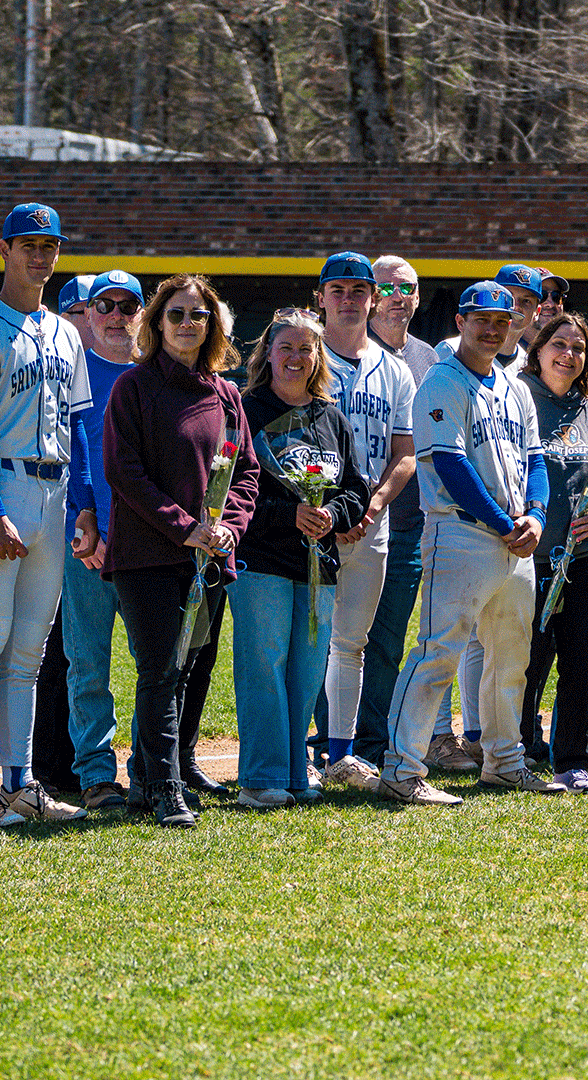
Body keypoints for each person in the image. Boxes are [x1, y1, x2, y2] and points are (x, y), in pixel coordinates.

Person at [379, 280, 562, 804]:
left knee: (511, 658)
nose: (492, 329)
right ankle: (401, 770)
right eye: (481, 319)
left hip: (515, 538)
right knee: (437, 653)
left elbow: (535, 459)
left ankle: (504, 762)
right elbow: (450, 464)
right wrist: (507, 523)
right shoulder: (441, 380)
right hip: (459, 532)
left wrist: (536, 514)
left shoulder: (515, 386)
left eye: (502, 321)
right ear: (460, 322)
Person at [0, 203, 93, 827]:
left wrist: (86, 504)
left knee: (29, 652)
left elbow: (80, 426)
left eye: (49, 245)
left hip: (54, 495)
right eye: (28, 244)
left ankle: (20, 782)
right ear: (4, 250)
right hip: (0, 487)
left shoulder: (65, 332)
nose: (39, 255)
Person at [102, 273, 258, 826]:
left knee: (187, 668)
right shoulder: (133, 388)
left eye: (199, 315)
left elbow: (245, 472)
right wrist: (184, 526)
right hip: (149, 557)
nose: (187, 323)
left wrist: (229, 528)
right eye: (176, 314)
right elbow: (124, 472)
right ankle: (167, 789)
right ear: (157, 322)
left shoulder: (226, 394)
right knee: (161, 671)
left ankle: (147, 783)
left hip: (208, 560)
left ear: (213, 326)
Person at [234, 309, 369, 808]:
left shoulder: (331, 416)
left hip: (319, 563)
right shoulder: (245, 409)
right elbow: (230, 488)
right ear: (267, 353)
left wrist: (332, 514)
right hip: (262, 560)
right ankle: (260, 777)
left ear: (318, 357)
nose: (296, 357)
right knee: (264, 665)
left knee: (308, 669)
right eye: (286, 347)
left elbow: (356, 486)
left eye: (305, 349)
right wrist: (286, 514)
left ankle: (295, 773)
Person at [317, 252, 418, 778]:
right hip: (310, 521)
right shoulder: (303, 354)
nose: (349, 299)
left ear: (373, 298)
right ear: (320, 298)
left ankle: (340, 754)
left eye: (359, 290)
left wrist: (374, 504)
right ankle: (296, 750)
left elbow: (405, 453)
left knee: (351, 643)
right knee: (306, 642)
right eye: (338, 290)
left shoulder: (395, 370)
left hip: (371, 524)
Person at [517, 313, 588, 792]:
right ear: (539, 350)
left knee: (583, 658)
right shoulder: (517, 398)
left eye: (578, 347)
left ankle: (572, 761)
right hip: (530, 556)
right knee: (527, 659)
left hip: (584, 556)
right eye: (559, 344)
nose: (569, 354)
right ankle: (517, 751)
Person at [358, 256, 451, 769]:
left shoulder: (428, 358)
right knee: (343, 638)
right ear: (372, 296)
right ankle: (333, 740)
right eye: (388, 288)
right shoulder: (349, 351)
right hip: (354, 521)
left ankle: (371, 743)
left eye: (408, 288)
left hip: (411, 524)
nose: (398, 297)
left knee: (389, 639)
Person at [58, 269, 142, 811]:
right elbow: (64, 456)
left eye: (126, 306)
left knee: (155, 667)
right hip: (86, 544)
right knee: (87, 665)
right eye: (103, 306)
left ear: (141, 314)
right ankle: (95, 774)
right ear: (87, 314)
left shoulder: (156, 374)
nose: (115, 316)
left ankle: (150, 770)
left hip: (147, 547)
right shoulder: (71, 373)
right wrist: (82, 525)